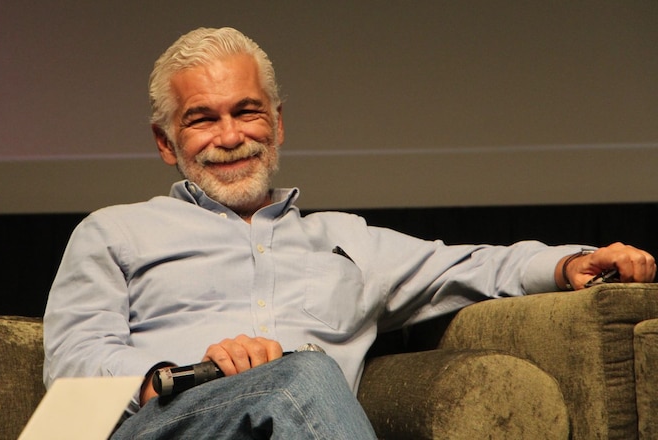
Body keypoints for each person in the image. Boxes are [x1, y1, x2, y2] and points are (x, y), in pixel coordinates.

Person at [43, 27, 656, 439]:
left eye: (247, 112)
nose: (230, 137)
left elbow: (468, 265)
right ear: (165, 141)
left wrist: (574, 262)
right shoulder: (115, 232)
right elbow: (71, 371)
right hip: (169, 424)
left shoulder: (347, 241)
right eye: (202, 120)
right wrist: (177, 372)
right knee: (302, 376)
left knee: (300, 378)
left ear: (278, 125)